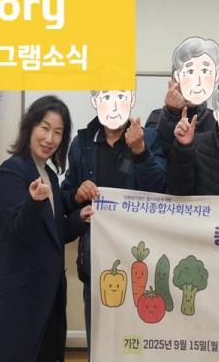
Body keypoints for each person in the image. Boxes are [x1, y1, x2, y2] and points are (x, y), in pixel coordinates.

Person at [60, 90, 166, 349]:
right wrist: (76, 194)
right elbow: (65, 196)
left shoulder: (149, 137)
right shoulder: (82, 143)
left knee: (136, 342)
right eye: (106, 98)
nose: (114, 105)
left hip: (140, 257)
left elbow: (161, 191)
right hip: (96, 259)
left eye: (120, 97)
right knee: (99, 340)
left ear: (131, 100)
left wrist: (140, 151)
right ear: (96, 102)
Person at [0, 96, 89, 362]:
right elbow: (16, 231)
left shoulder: (50, 175)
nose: (50, 139)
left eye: (58, 132)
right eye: (45, 128)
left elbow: (55, 233)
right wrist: (33, 202)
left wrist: (80, 218)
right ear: (30, 126)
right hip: (20, 298)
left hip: (48, 297)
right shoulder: (11, 171)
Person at [151, 36, 219, 135]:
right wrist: (171, 113)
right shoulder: (156, 117)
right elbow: (157, 143)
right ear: (174, 82)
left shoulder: (216, 121)